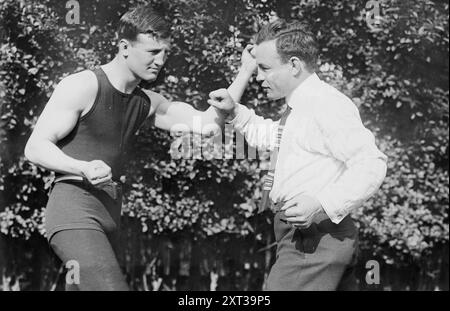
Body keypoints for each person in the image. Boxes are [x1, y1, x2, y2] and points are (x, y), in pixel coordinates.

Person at [23, 4, 250, 290]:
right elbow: (35, 147)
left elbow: (208, 125)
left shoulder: (148, 102)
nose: (160, 60)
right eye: (153, 52)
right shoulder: (83, 85)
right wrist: (80, 166)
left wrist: (245, 71)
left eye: (165, 53)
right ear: (124, 47)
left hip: (110, 217)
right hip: (74, 212)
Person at [208, 19, 388, 290]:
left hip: (314, 239)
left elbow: (371, 164)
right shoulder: (301, 106)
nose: (258, 78)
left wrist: (321, 204)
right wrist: (235, 111)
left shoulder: (326, 104)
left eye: (265, 69)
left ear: (293, 65)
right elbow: (274, 138)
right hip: (309, 238)